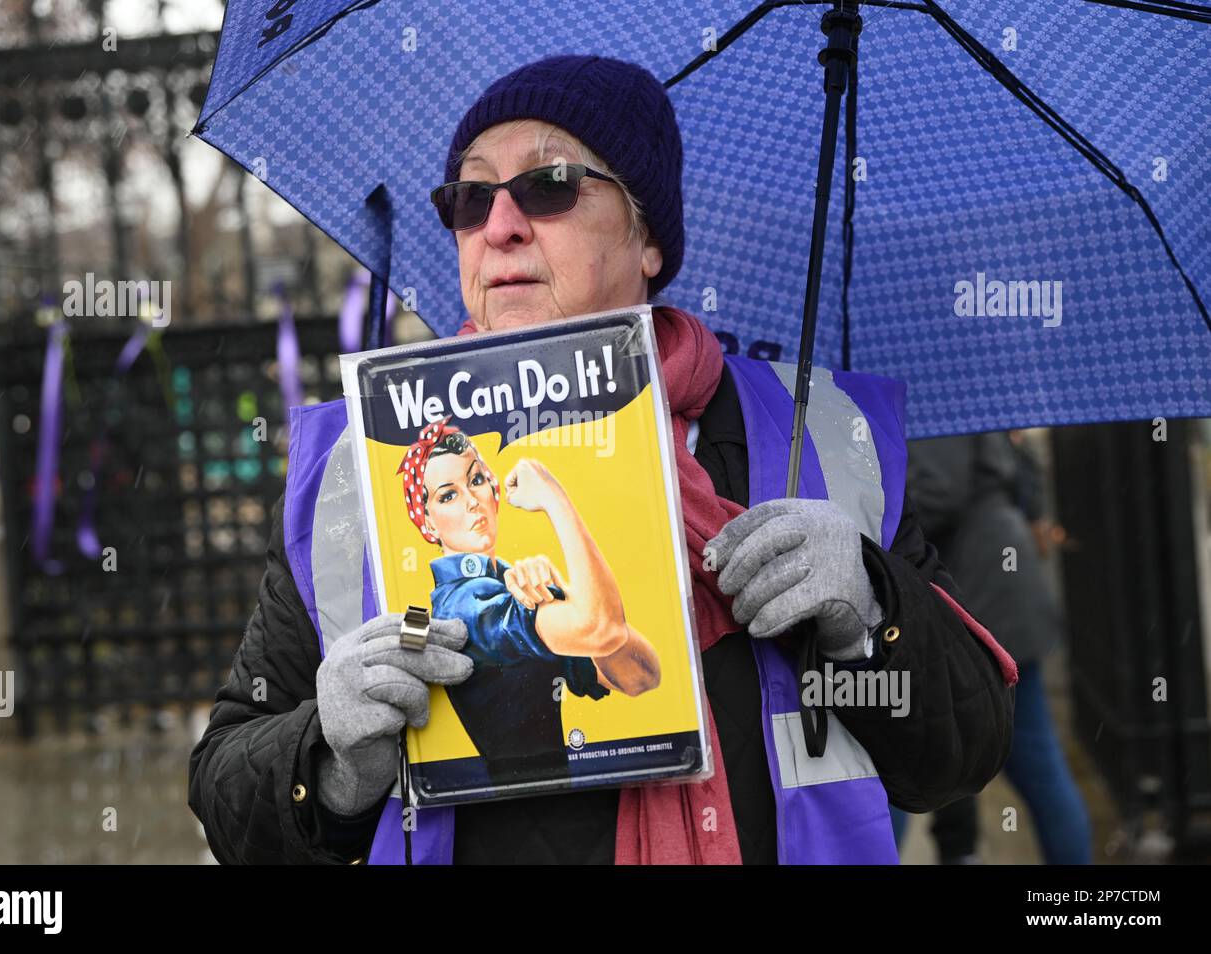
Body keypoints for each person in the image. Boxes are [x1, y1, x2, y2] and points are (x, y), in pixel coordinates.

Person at [188, 54, 1017, 865]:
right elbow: (228, 789)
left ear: (647, 235)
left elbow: (961, 753)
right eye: (471, 198)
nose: (501, 225)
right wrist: (327, 765)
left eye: (550, 185)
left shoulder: (823, 437)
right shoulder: (359, 466)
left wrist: (872, 618)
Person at [401, 416, 660, 787]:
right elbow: (602, 627)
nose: (473, 501)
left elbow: (641, 675)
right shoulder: (463, 606)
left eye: (475, 480)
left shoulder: (504, 587)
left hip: (566, 802)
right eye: (448, 495)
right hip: (513, 814)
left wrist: (563, 592)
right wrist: (555, 499)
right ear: (427, 523)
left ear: (493, 489)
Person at [891, 431, 1092, 864]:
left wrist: (870, 501)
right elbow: (1023, 480)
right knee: (1032, 763)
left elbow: (940, 492)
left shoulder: (934, 402)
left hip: (985, 596)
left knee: (907, 755)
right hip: (998, 587)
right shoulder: (969, 399)